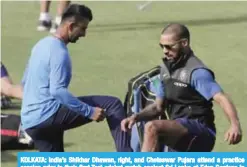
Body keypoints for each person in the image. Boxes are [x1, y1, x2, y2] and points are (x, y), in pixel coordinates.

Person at [21, 4, 132, 152]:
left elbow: (24, 83)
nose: (84, 34)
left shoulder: (40, 45)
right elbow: (58, 91)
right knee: (112, 104)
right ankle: (128, 161)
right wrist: (89, 111)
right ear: (71, 26)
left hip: (31, 123)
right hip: (48, 116)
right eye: (83, 28)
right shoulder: (59, 53)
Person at [121, 23, 242, 152]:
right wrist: (136, 117)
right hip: (179, 131)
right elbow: (158, 107)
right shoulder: (165, 70)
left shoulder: (196, 72)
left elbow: (222, 98)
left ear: (184, 43)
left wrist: (235, 125)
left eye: (169, 46)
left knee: (152, 127)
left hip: (200, 131)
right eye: (162, 46)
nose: (165, 51)